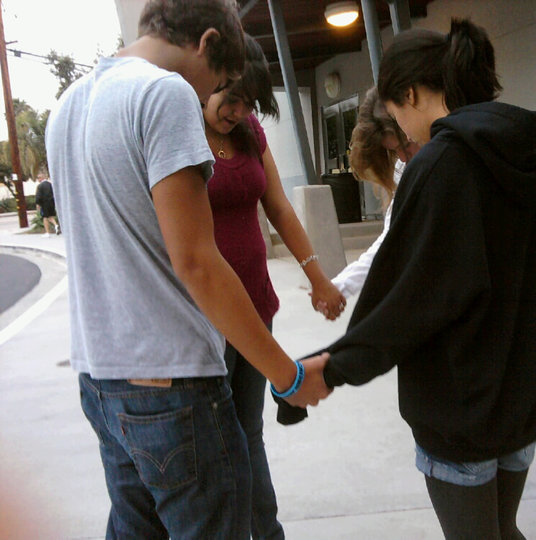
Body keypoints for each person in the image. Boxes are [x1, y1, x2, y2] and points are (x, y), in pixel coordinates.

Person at [45, 1, 331, 538]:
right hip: (171, 383)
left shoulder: (69, 103)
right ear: (205, 43)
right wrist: (286, 375)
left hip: (99, 376)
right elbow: (197, 262)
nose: (211, 95)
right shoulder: (164, 92)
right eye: (221, 79)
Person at [289, 18, 536, 539]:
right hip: (526, 396)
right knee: (504, 530)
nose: (402, 131)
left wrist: (332, 369)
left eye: (397, 113)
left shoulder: (442, 165)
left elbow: (407, 301)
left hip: (461, 409)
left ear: (413, 93)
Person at [203, 35, 345, 539]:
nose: (237, 112)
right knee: (215, 444)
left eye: (247, 105)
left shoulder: (248, 132)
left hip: (256, 306)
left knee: (250, 432)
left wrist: (317, 277)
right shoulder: (176, 129)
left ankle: (267, 532)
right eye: (230, 99)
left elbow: (280, 207)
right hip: (205, 317)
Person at [328, 87, 419, 302]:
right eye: (393, 150)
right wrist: (341, 285)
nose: (403, 158)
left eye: (406, 145)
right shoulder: (404, 169)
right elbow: (390, 240)